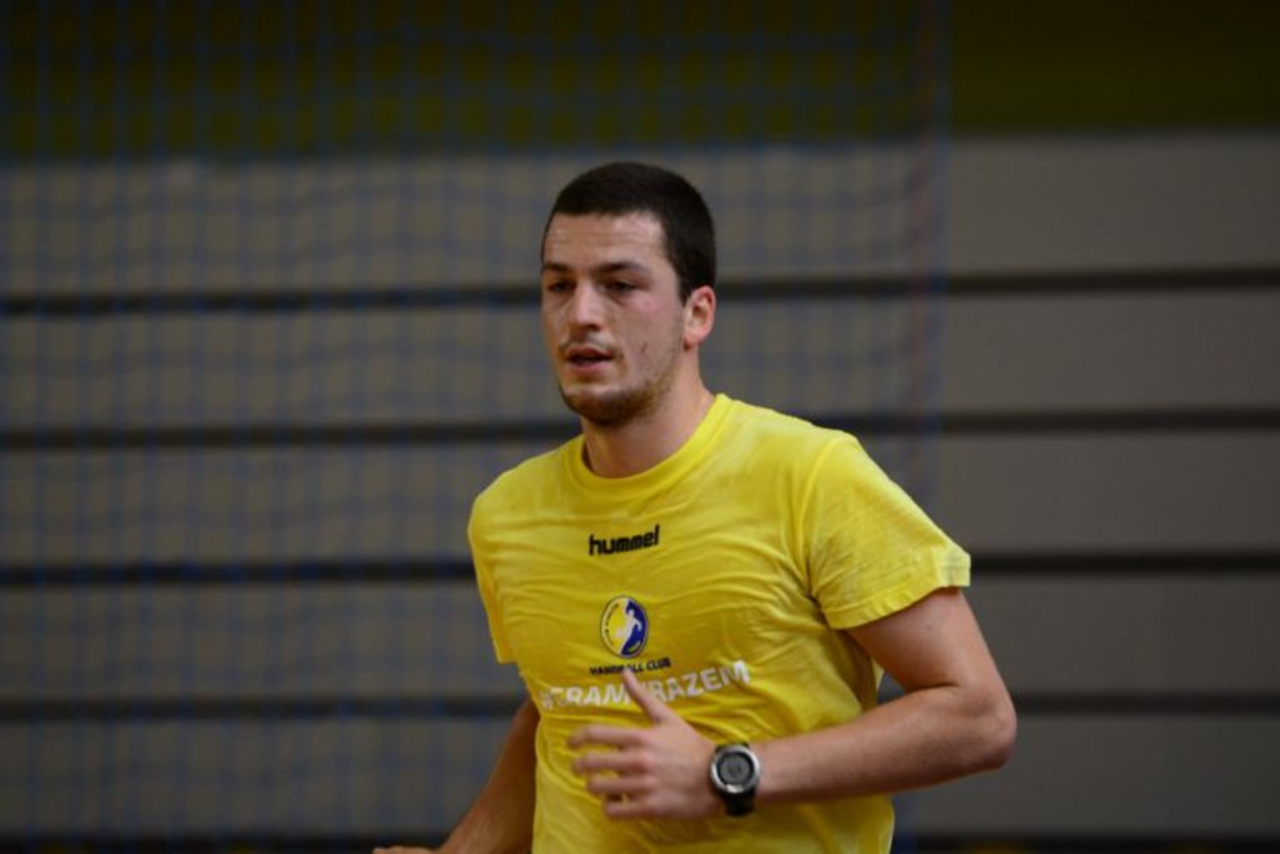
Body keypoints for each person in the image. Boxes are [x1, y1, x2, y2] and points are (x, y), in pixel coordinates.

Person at [377, 161, 1015, 853]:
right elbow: (558, 710)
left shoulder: (811, 475)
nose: (581, 314)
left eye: (620, 285)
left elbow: (978, 717)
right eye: (560, 285)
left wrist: (727, 773)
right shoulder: (505, 514)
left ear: (697, 313)